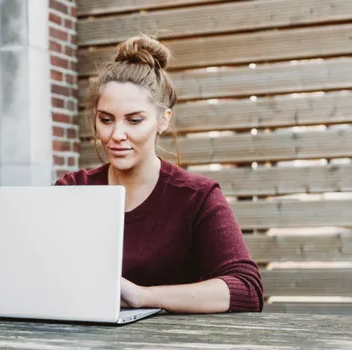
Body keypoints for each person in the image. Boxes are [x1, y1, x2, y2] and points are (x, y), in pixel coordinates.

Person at [55, 34, 264, 314]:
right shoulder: (72, 189)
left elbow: (246, 289)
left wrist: (144, 296)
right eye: (106, 120)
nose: (117, 135)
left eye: (134, 120)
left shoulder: (197, 197)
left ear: (163, 120)